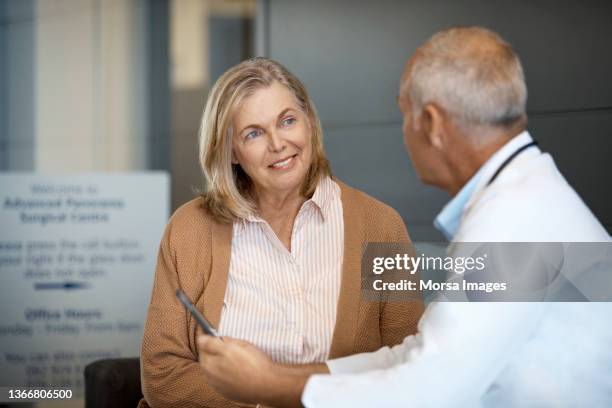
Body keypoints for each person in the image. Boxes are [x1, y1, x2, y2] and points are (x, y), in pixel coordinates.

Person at [196, 27, 612, 407]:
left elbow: (428, 391)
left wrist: (268, 386)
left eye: (404, 114)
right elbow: (417, 355)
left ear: (430, 123)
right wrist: (277, 375)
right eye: (253, 132)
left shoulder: (516, 218)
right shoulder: (521, 199)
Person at [139, 58, 424, 407]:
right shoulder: (190, 230)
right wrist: (265, 399)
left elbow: (412, 365)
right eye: (254, 133)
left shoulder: (380, 227)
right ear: (230, 151)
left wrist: (274, 388)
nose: (278, 143)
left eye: (287, 121)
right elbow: (162, 376)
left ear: (309, 123)